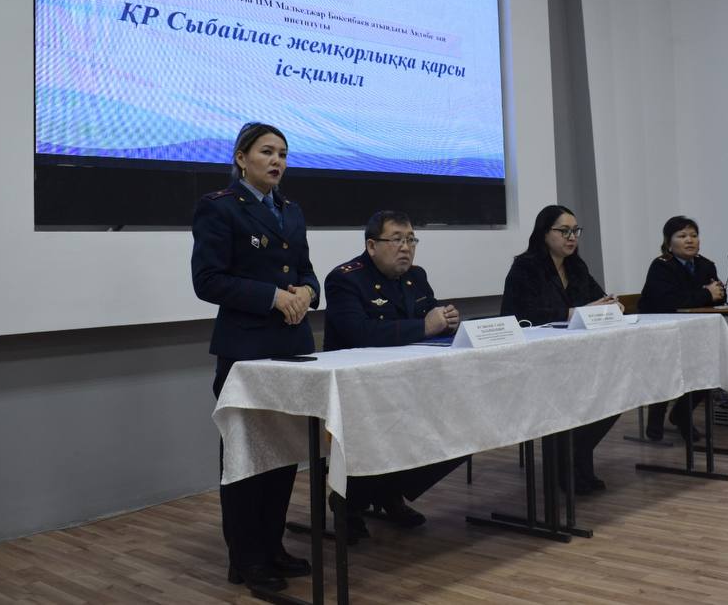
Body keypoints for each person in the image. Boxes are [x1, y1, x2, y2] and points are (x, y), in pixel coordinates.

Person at [191, 122, 319, 597]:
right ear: (241, 158)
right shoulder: (219, 207)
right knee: (246, 456)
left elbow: (306, 271)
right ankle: (245, 559)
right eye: (267, 151)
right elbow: (207, 280)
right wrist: (271, 297)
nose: (277, 160)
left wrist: (308, 292)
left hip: (291, 348)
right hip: (245, 352)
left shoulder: (291, 210)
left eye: (282, 153)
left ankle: (272, 546)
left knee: (282, 452)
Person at [323, 211, 466, 542]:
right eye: (397, 239)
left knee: (460, 427)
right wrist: (425, 326)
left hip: (411, 383)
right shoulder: (345, 279)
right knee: (386, 429)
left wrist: (447, 320)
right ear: (371, 246)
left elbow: (431, 318)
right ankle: (350, 503)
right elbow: (359, 333)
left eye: (411, 239)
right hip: (359, 389)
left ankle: (389, 492)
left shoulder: (416, 276)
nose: (406, 247)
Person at [499, 204, 621, 495]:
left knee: (614, 392)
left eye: (575, 231)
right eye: (564, 231)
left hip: (577, 357)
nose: (572, 237)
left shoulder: (577, 267)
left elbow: (597, 300)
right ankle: (568, 466)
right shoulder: (525, 268)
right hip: (536, 360)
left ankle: (575, 459)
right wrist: (574, 312)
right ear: (544, 233)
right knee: (576, 396)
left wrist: (611, 305)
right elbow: (519, 316)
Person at [638, 215, 726, 442]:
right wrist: (705, 294)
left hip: (693, 332)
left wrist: (710, 294)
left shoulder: (706, 265)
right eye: (682, 235)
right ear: (669, 243)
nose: (690, 240)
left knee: (713, 363)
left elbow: (718, 296)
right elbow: (668, 302)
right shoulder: (661, 266)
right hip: (660, 333)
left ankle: (680, 414)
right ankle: (656, 419)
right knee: (669, 366)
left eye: (694, 235)